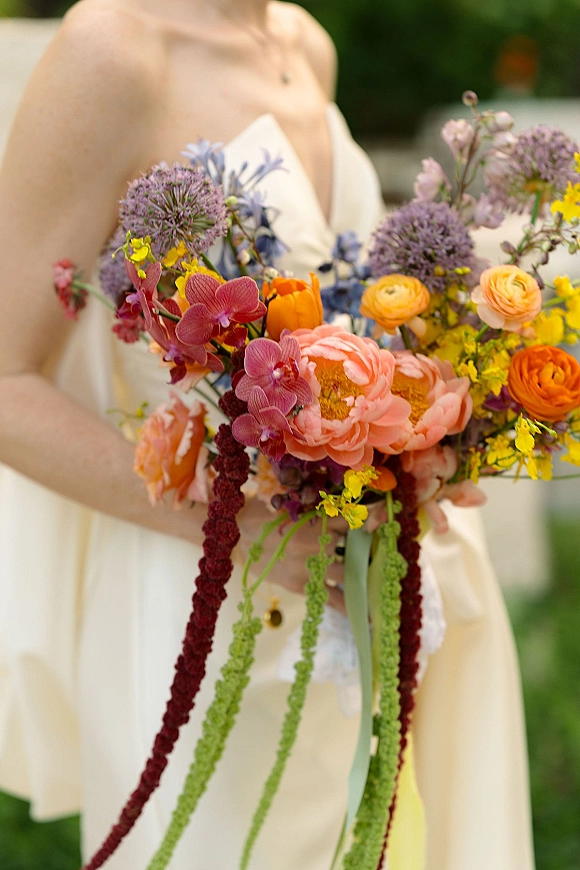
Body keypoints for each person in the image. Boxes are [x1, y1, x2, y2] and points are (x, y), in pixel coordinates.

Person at [0, 1, 536, 868]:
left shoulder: (301, 40)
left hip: (392, 577)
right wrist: (244, 534)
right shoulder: (112, 48)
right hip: (206, 606)